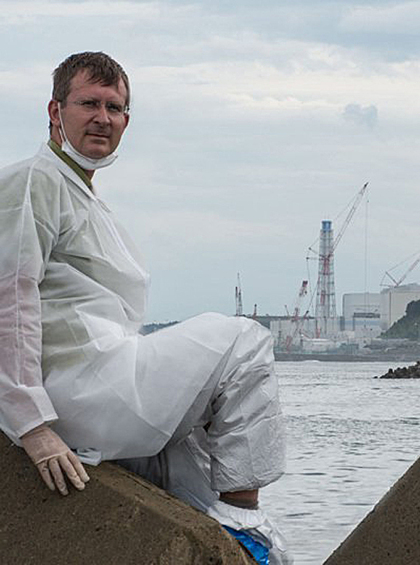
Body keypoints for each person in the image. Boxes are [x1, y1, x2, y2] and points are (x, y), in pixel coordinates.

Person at [0, 52, 291, 564]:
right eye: (89, 103)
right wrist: (33, 428)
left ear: (126, 121)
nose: (103, 118)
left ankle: (250, 542)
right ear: (54, 110)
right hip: (75, 390)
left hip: (105, 388)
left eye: (115, 108)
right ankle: (244, 516)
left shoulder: (86, 198)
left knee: (202, 494)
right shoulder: (34, 181)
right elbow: (10, 299)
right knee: (245, 340)